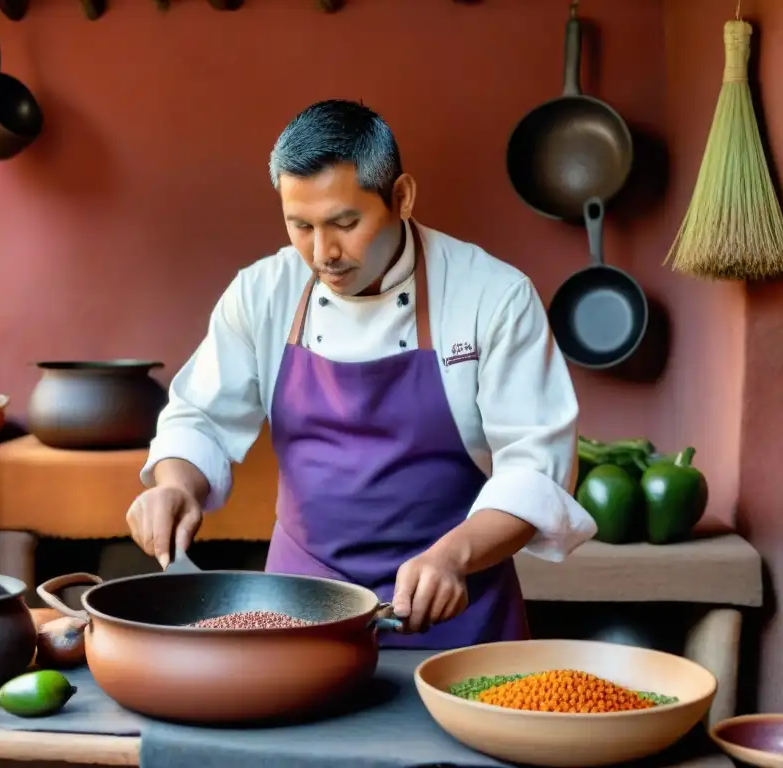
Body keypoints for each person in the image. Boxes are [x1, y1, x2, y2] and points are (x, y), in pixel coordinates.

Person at [126, 99, 597, 649]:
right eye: (299, 226)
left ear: (401, 197)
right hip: (300, 613)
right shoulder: (262, 293)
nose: (323, 253)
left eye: (345, 223)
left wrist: (453, 556)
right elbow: (199, 417)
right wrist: (177, 485)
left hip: (451, 609)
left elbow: (536, 469)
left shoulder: (491, 296)